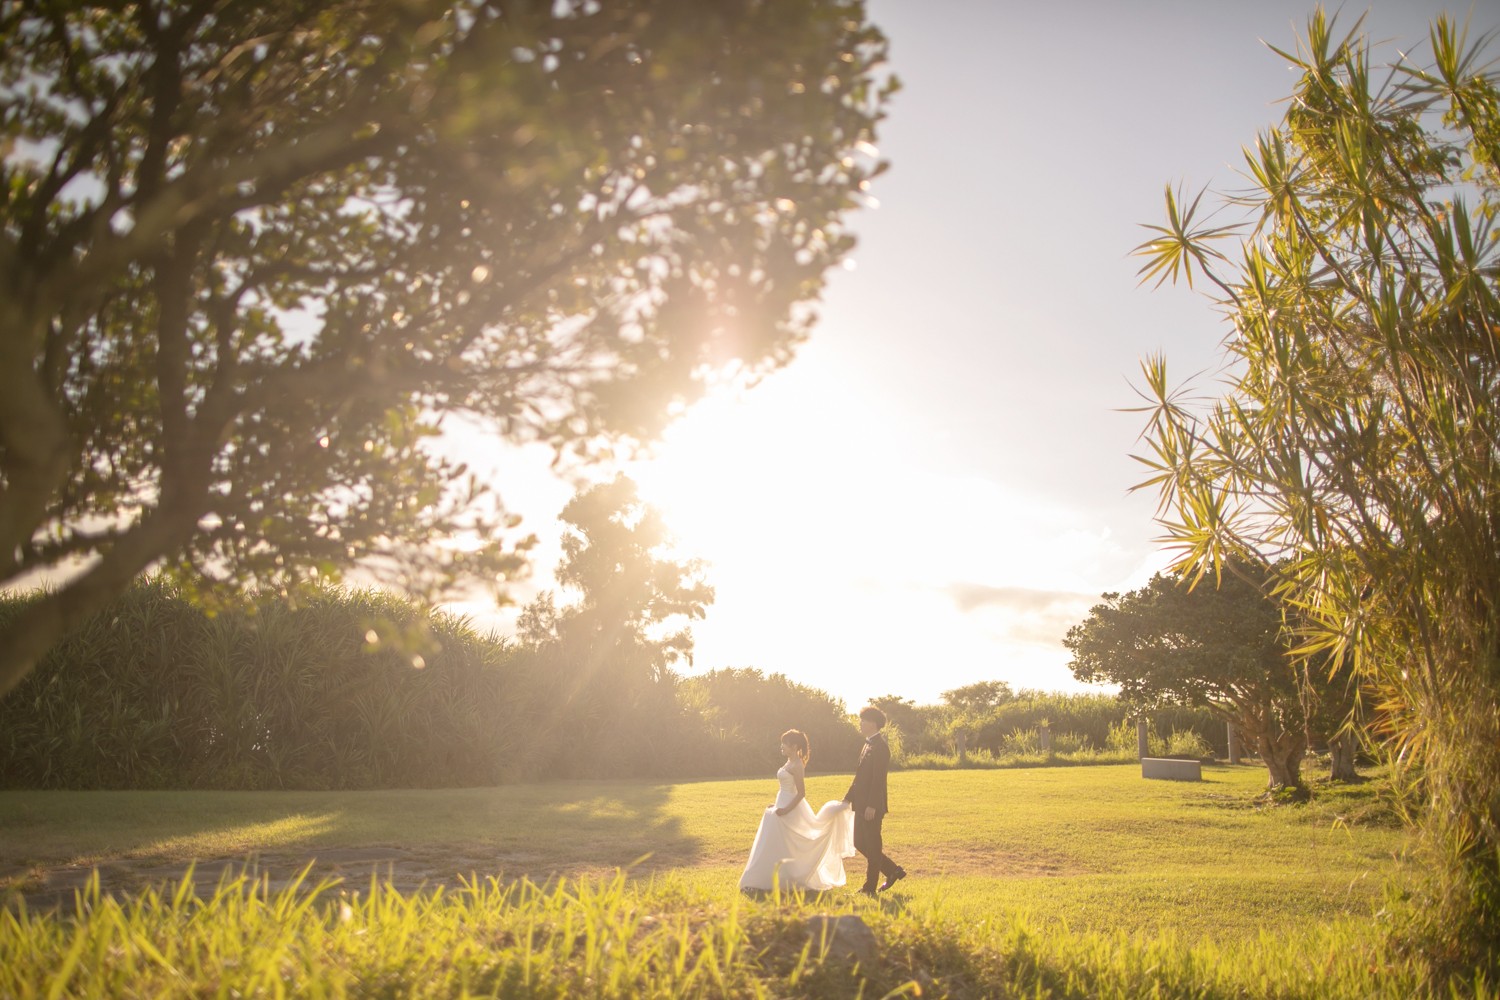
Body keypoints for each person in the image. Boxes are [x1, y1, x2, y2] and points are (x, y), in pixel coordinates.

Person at [738, 729, 855, 892]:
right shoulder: (788, 762)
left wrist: (785, 810)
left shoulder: (797, 765)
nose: (781, 747)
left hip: (791, 808)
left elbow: (801, 793)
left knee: (790, 843)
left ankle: (786, 879)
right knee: (775, 844)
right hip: (782, 803)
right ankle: (763, 881)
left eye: (784, 744)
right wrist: (777, 804)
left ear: (793, 746)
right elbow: (785, 788)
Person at [844, 705, 907, 895]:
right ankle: (892, 871)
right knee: (858, 842)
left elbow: (878, 779)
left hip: (872, 806)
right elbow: (860, 777)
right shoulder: (867, 744)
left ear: (873, 724)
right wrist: (847, 799)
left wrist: (872, 805)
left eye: (864, 720)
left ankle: (869, 888)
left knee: (872, 845)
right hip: (860, 804)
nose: (860, 723)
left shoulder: (881, 747)